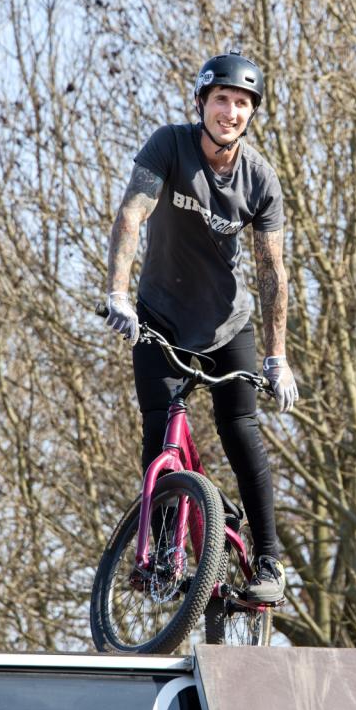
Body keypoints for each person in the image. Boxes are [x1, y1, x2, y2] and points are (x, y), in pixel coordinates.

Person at [103, 49, 297, 605]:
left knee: (241, 430)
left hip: (226, 325)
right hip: (160, 318)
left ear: (251, 113)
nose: (230, 112)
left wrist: (277, 358)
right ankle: (164, 557)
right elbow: (132, 214)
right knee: (159, 431)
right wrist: (118, 293)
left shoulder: (260, 179)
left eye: (241, 104)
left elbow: (271, 272)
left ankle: (268, 560)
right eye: (221, 99)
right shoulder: (169, 145)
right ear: (201, 103)